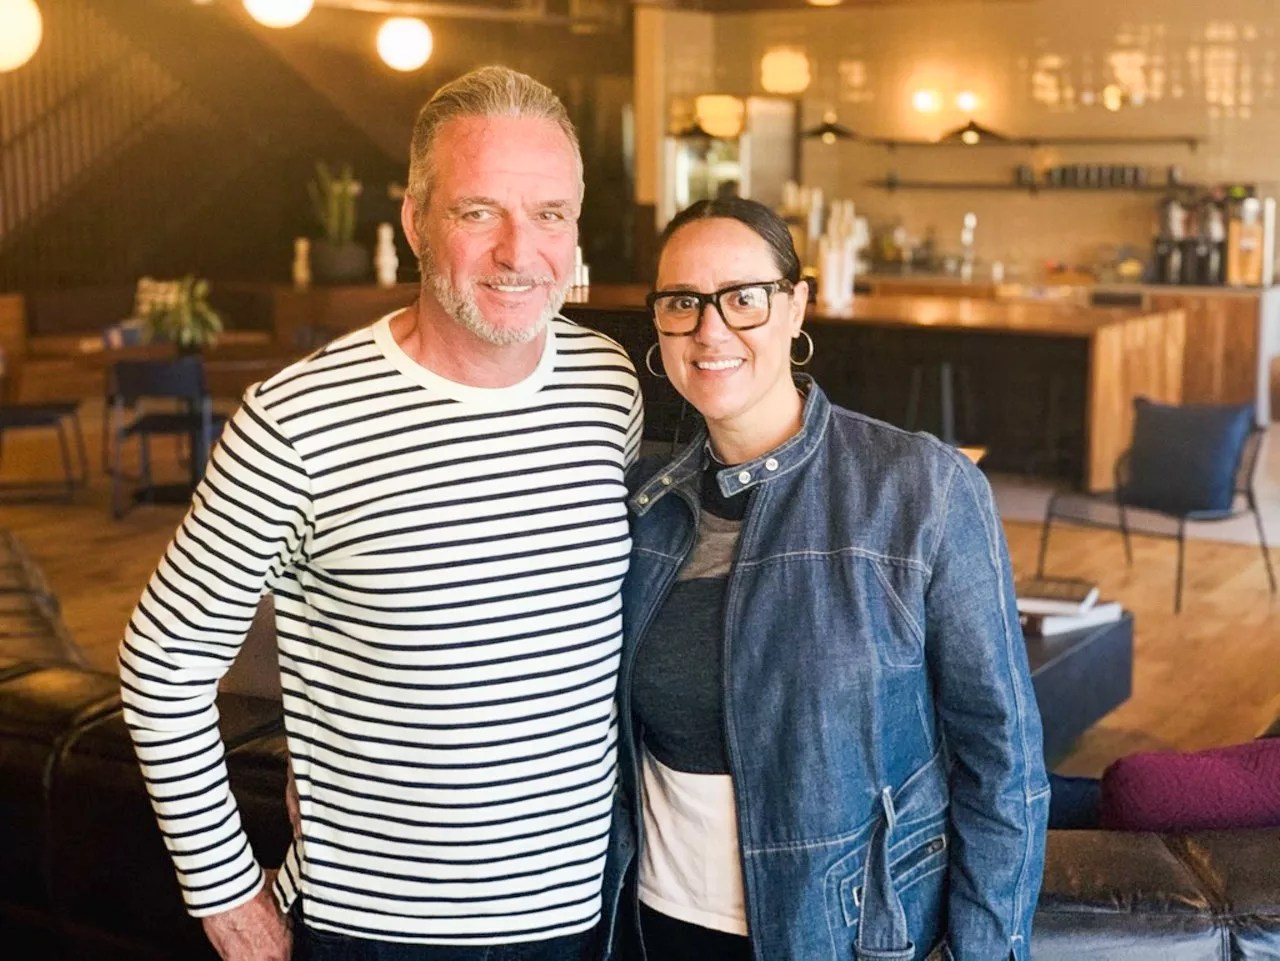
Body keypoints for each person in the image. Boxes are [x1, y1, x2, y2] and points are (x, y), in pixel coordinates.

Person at [119, 66, 643, 961]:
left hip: (578, 912)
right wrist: (228, 897)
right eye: (479, 211)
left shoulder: (610, 385)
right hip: (377, 928)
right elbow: (161, 667)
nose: (519, 251)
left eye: (550, 214)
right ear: (415, 221)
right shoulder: (296, 421)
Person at [603, 198, 1049, 961]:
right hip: (654, 927)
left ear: (796, 306)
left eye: (744, 298)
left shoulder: (921, 491)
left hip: (847, 934)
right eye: (683, 303)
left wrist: (984, 950)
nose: (711, 330)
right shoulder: (641, 506)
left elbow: (1004, 759)